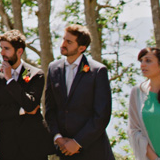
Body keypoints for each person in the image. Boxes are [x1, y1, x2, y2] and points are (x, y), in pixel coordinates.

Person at [44, 24, 114, 160]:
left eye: (69, 42)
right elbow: (50, 108)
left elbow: (102, 115)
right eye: (64, 39)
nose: (63, 44)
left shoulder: (98, 71)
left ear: (81, 48)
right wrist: (58, 137)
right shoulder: (53, 68)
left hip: (94, 151)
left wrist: (77, 142)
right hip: (65, 151)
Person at [0, 30, 54, 160]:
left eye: (6, 49)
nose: (2, 53)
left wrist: (10, 80)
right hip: (7, 146)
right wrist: (22, 110)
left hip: (33, 145)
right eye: (1, 48)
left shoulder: (36, 74)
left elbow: (31, 103)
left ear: (19, 51)